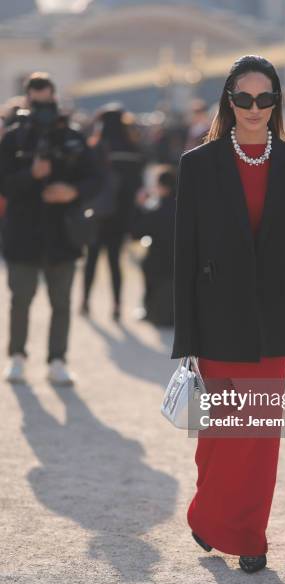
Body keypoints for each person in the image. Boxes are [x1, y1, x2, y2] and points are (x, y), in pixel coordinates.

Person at [171, 55, 285, 573]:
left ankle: (249, 536)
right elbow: (185, 255)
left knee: (258, 437)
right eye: (244, 98)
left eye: (265, 99)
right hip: (217, 320)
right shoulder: (198, 164)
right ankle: (208, 515)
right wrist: (186, 335)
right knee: (222, 434)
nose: (254, 109)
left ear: (276, 102)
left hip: (277, 320)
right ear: (229, 101)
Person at [0, 72, 101, 385]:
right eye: (37, 103)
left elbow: (94, 178)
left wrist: (73, 193)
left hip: (62, 232)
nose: (44, 110)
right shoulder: (13, 137)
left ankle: (58, 359)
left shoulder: (71, 135)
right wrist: (30, 175)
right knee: (21, 299)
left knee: (61, 302)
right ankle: (17, 356)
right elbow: (3, 183)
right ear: (28, 101)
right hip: (23, 232)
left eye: (49, 102)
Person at [80, 104, 147, 321]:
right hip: (121, 214)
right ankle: (117, 305)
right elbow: (138, 185)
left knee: (91, 259)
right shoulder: (133, 149)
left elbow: (86, 181)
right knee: (115, 261)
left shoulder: (96, 148)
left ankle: (85, 301)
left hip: (98, 212)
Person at [132, 165, 176, 326]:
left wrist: (139, 206)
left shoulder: (157, 210)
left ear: (162, 187)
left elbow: (136, 233)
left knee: (148, 264)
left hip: (158, 265)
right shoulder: (186, 208)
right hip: (180, 265)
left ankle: (148, 309)